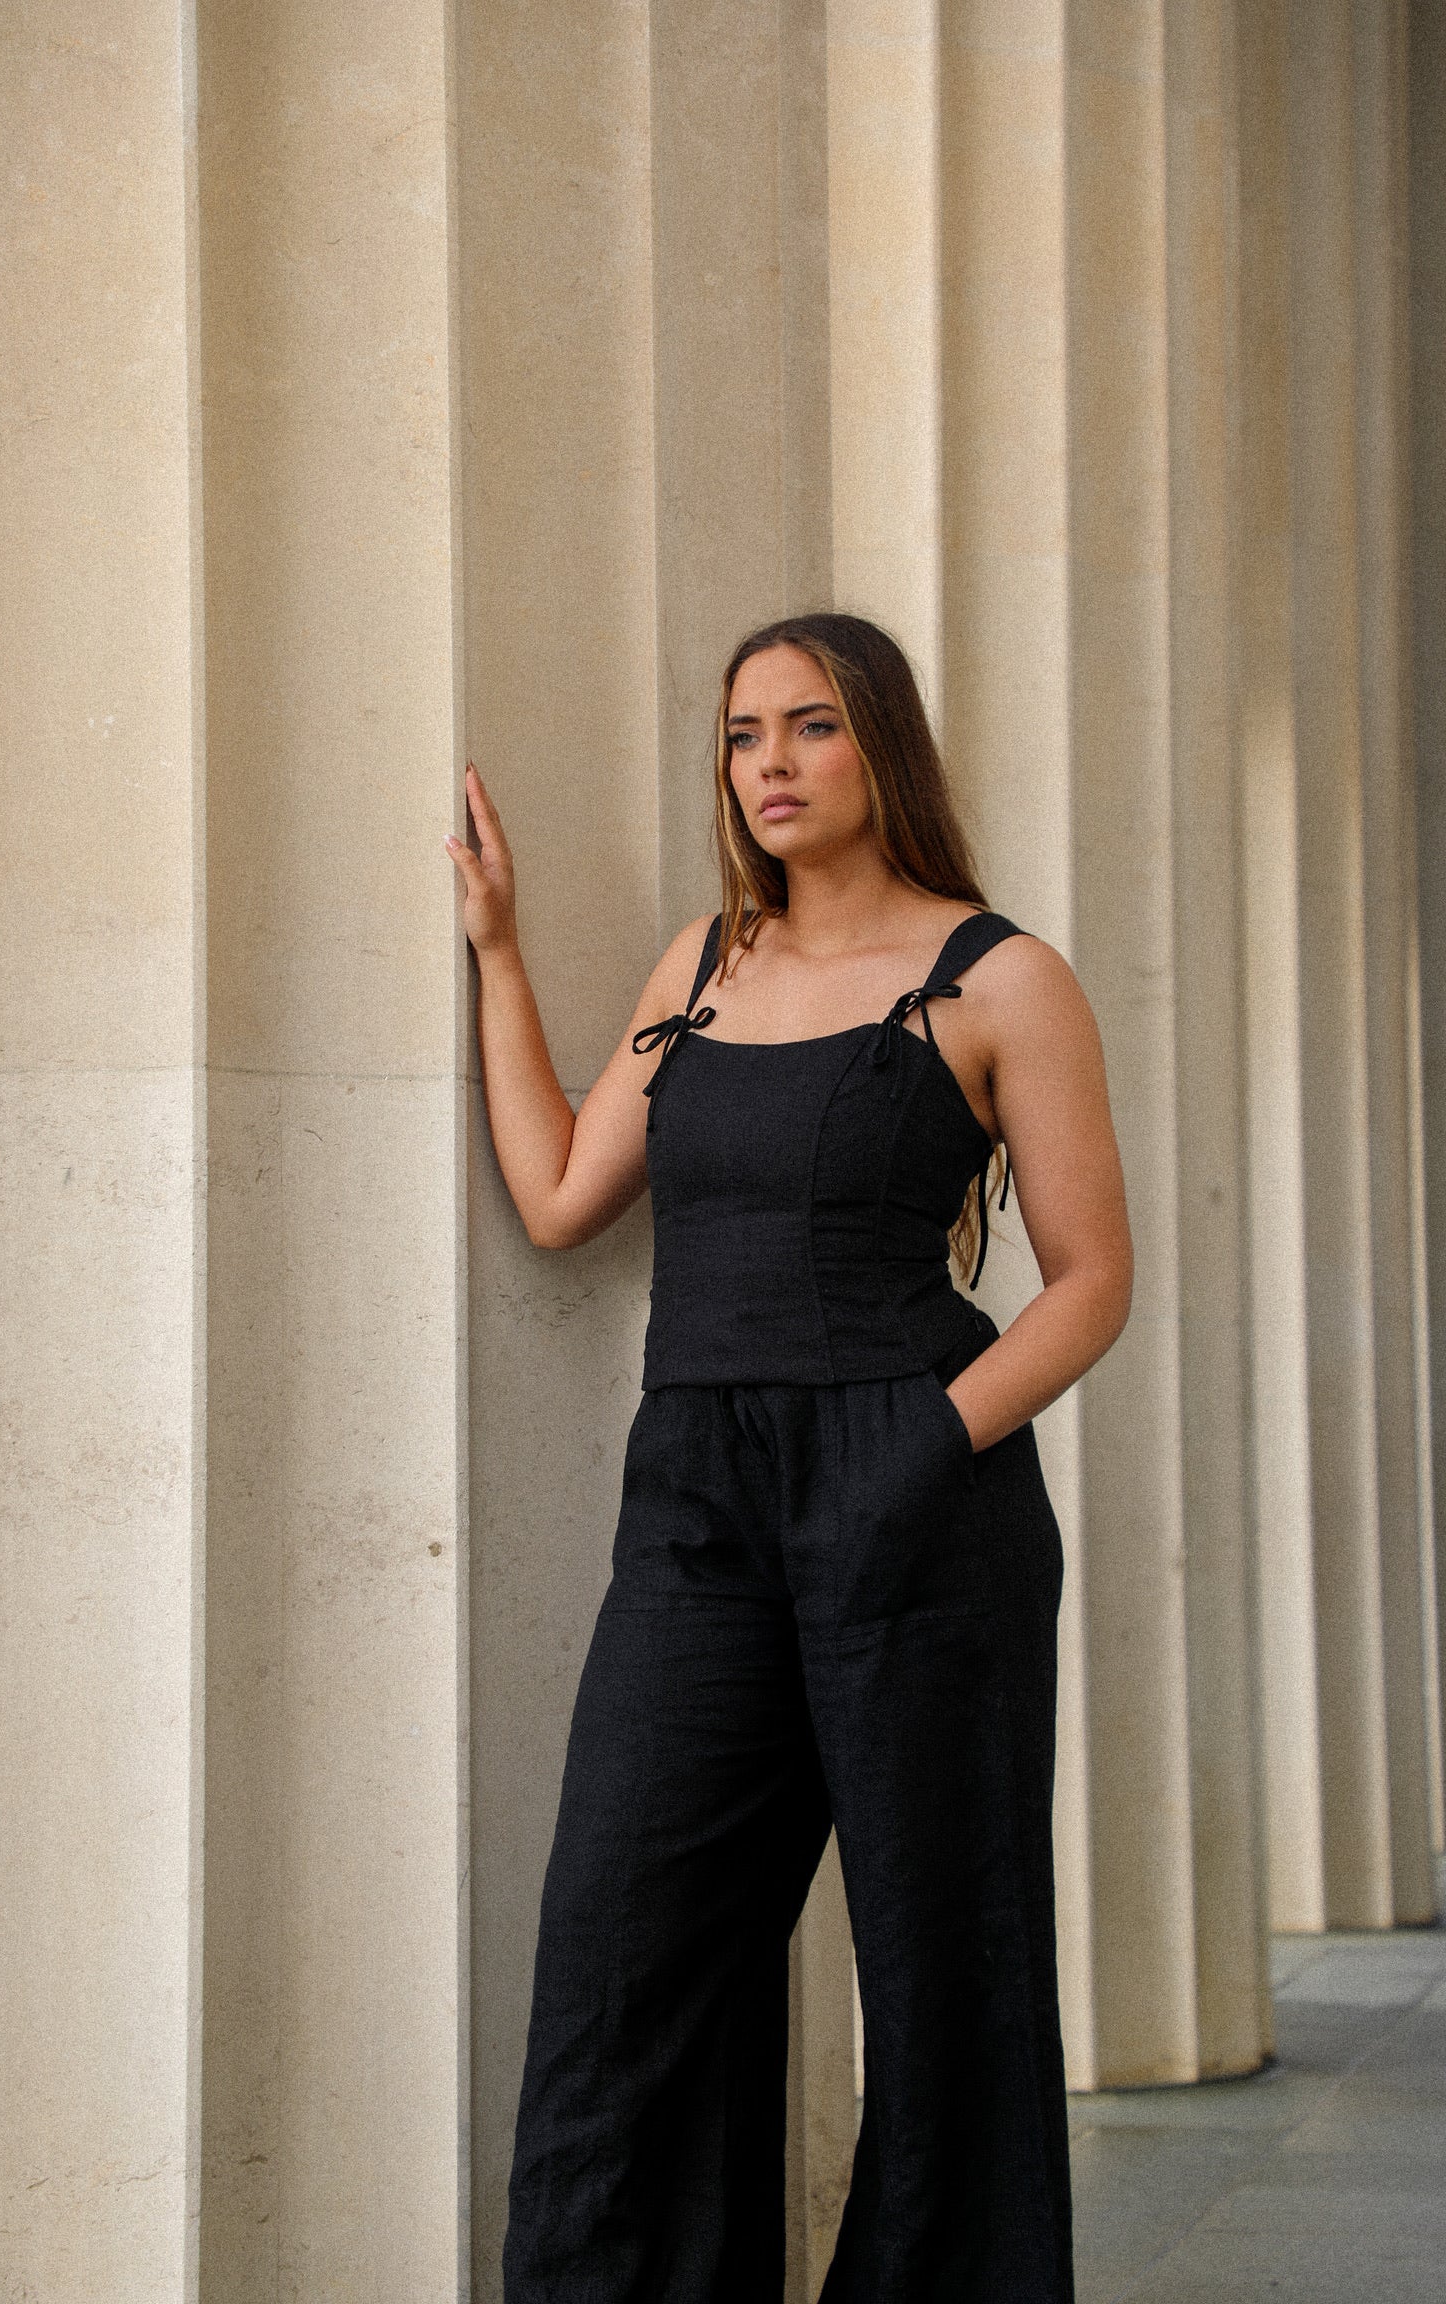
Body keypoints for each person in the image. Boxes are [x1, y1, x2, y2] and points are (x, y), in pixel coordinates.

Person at [446, 612, 1132, 2303]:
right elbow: (560, 1196)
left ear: (882, 744)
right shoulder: (702, 966)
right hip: (695, 1503)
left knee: (944, 1976)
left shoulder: (1000, 978)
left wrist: (918, 1447)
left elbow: (1092, 1281)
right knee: (623, 1956)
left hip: (916, 1492)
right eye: (745, 733)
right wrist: (500, 955)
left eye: (812, 725)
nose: (771, 762)